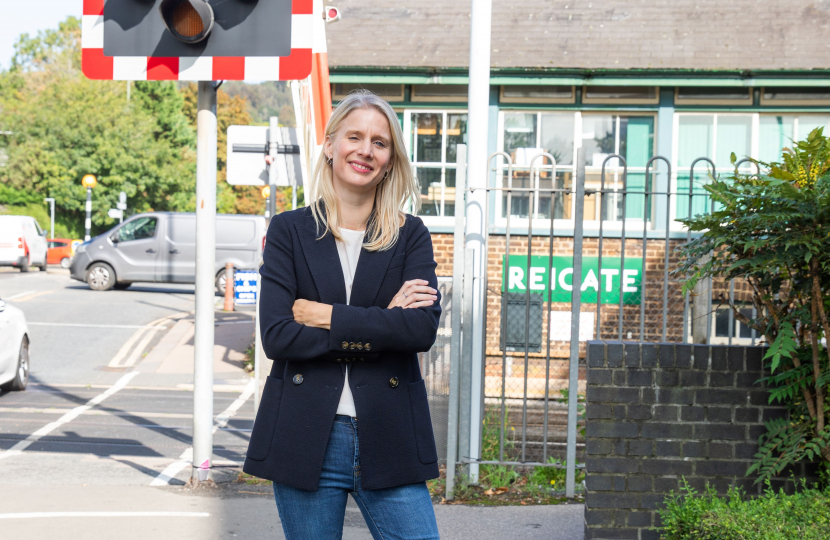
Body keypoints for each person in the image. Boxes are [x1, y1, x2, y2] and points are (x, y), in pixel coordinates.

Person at [244, 90, 442, 540]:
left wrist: (325, 316)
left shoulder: (410, 235)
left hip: (389, 431)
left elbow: (421, 328)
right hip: (307, 432)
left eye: (380, 142)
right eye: (355, 136)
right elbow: (277, 336)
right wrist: (381, 319)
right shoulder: (289, 231)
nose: (365, 150)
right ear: (330, 144)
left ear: (391, 159)